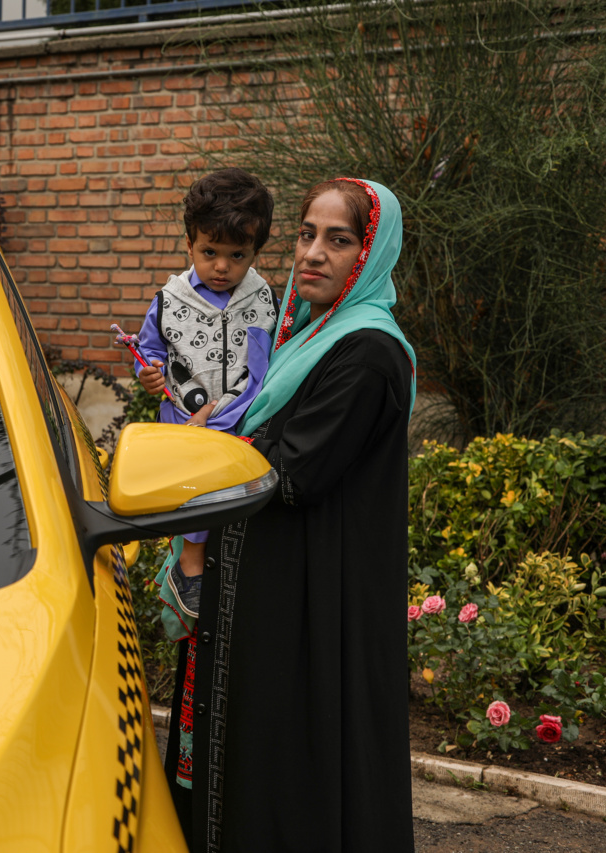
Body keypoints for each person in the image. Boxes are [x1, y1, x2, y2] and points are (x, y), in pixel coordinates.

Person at [163, 177, 418, 852]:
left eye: (339, 240)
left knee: (298, 768)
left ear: (372, 253)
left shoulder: (366, 352)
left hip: (316, 604)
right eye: (307, 235)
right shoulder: (305, 336)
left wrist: (206, 447)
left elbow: (292, 472)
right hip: (277, 592)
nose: (313, 253)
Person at [134, 169, 278, 632]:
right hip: (184, 418)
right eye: (209, 252)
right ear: (190, 245)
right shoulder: (169, 299)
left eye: (237, 256)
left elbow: (264, 356)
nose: (221, 267)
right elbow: (149, 350)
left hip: (240, 414)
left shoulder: (264, 298)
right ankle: (189, 567)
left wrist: (237, 408)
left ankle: (208, 568)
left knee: (232, 497)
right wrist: (147, 375)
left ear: (255, 252)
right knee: (198, 486)